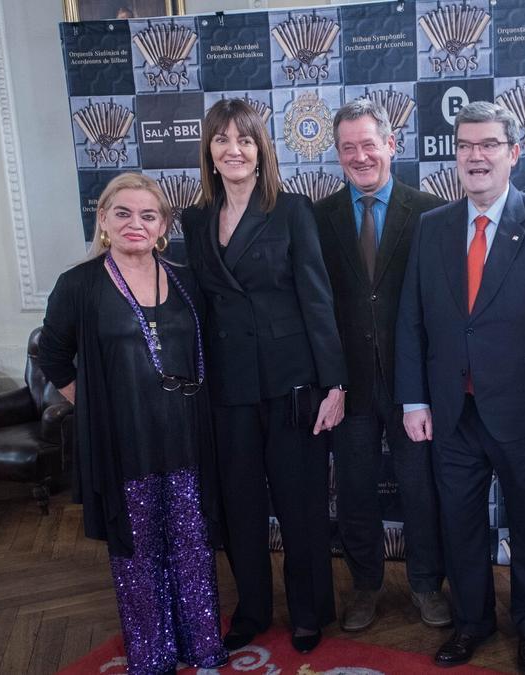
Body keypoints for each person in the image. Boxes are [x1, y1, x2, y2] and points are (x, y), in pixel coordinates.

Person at [395, 101, 525, 673]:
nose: (476, 156)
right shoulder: (432, 228)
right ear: (454, 156)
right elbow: (411, 318)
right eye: (466, 146)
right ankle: (472, 624)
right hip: (453, 412)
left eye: (488, 145)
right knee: (460, 528)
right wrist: (414, 398)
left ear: (514, 153)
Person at [37, 172, 228, 674]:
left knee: (191, 540)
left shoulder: (186, 279)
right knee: (139, 547)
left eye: (148, 215)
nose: (135, 224)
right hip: (126, 442)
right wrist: (96, 404)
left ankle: (203, 643)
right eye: (122, 213)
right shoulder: (78, 285)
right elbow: (53, 356)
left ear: (163, 224)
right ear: (102, 219)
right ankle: (152, 653)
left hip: (187, 435)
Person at [181, 98, 347, 654]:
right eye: (223, 139)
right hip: (227, 390)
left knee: (301, 506)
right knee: (240, 507)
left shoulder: (292, 210)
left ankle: (308, 612)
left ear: (260, 151)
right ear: (209, 149)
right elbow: (198, 308)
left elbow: (318, 303)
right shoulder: (195, 219)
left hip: (292, 385)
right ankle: (251, 609)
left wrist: (335, 385)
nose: (234, 149)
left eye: (245, 140)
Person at [314, 99, 450, 632]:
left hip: (413, 383)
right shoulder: (320, 216)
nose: (359, 156)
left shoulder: (432, 211)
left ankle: (425, 585)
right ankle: (365, 587)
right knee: (354, 492)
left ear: (391, 144)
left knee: (421, 490)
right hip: (347, 386)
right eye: (347, 147)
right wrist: (330, 379)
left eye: (368, 143)